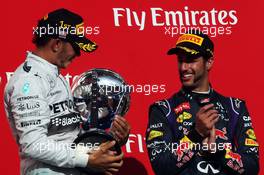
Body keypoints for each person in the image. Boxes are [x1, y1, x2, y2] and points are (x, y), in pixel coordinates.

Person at [4, 8, 130, 175]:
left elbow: (68, 136)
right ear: (56, 44)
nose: (78, 54)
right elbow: (33, 144)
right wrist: (87, 159)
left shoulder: (54, 76)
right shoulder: (28, 81)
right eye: (76, 48)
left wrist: (112, 138)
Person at [146, 31, 259, 175]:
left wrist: (218, 152)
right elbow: (161, 168)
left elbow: (253, 167)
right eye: (180, 60)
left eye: (191, 60)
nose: (183, 68)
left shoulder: (235, 107)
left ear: (209, 62)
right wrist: (195, 135)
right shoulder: (163, 109)